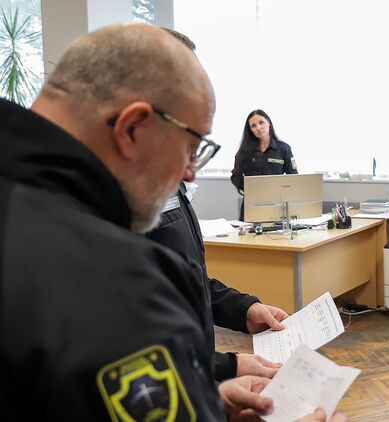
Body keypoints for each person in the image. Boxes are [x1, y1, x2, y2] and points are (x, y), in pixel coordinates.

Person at [0, 23, 272, 419]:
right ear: (131, 128)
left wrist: (207, 401)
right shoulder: (107, 275)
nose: (190, 172)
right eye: (191, 147)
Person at [150, 28, 289, 383]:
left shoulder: (164, 182)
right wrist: (227, 368)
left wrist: (244, 310)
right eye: (188, 141)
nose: (191, 173)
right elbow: (133, 344)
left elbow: (185, 281)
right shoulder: (104, 206)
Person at [230, 109, 297, 220]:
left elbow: (293, 177)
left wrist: (281, 191)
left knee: (275, 230)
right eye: (253, 126)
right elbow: (235, 176)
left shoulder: (283, 148)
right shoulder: (244, 151)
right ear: (250, 130)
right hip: (251, 204)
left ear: (269, 122)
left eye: (261, 122)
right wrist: (250, 189)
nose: (258, 128)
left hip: (276, 204)